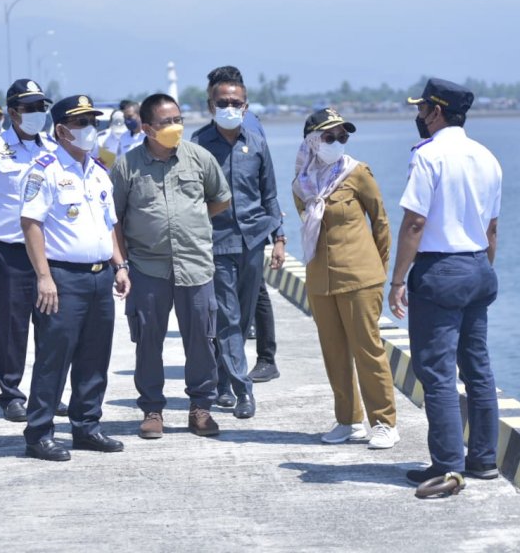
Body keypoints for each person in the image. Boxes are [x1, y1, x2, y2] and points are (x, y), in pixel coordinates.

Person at [388, 78, 502, 485]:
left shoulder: (428, 156)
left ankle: (448, 464)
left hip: (439, 270)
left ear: (435, 111)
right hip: (477, 266)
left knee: (436, 371)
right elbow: (492, 230)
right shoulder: (487, 157)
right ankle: (484, 459)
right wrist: (482, 270)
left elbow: (415, 222)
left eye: (421, 109)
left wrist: (398, 279)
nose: (418, 116)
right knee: (477, 368)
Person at [112, 93, 231, 439]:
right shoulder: (127, 166)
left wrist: (189, 222)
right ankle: (152, 409)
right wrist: (121, 264)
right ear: (147, 128)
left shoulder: (199, 158)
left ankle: (201, 408)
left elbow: (219, 199)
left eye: (178, 119)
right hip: (148, 268)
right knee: (148, 339)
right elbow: (114, 219)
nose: (175, 127)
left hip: (195, 265)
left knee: (202, 339)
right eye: (166, 122)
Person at [20, 94, 130, 462]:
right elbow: (31, 224)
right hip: (63, 278)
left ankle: (86, 426)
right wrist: (44, 278)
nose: (90, 130)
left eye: (92, 122)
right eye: (82, 123)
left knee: (94, 357)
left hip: (100, 278)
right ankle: (39, 432)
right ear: (62, 130)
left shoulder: (98, 171)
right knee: (54, 356)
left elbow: (109, 224)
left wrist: (120, 265)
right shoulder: (45, 169)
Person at [292, 108, 399, 449]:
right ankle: (348, 420)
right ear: (311, 140)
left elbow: (381, 222)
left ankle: (384, 421)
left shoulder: (357, 173)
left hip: (359, 276)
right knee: (334, 352)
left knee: (367, 350)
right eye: (329, 136)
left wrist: (379, 272)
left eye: (342, 136)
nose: (337, 142)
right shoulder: (302, 183)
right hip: (321, 278)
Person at [0, 79, 69, 422]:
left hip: (49, 254)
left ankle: (49, 394)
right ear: (13, 112)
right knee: (12, 327)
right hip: (8, 252)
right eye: (31, 108)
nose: (38, 114)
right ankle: (11, 394)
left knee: (52, 327)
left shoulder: (53, 149)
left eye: (42, 107)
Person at [191, 72, 285, 418]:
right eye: (222, 102)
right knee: (229, 317)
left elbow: (269, 193)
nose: (229, 107)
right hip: (217, 242)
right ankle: (243, 390)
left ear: (245, 106)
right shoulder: (198, 144)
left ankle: (222, 382)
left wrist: (279, 237)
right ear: (210, 105)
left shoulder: (256, 143)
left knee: (242, 318)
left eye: (236, 103)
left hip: (252, 240)